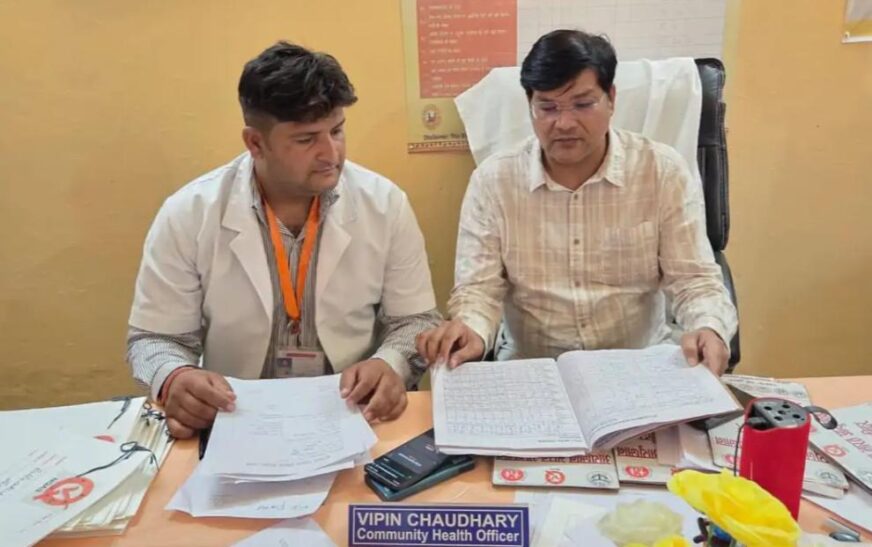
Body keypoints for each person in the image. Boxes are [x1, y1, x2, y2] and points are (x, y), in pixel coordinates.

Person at [127, 41, 441, 438]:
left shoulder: (385, 204)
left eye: (337, 131)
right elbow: (154, 339)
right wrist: (174, 375)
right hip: (237, 416)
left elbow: (416, 322)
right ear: (255, 143)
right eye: (306, 139)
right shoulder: (189, 213)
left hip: (352, 414)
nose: (331, 153)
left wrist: (390, 363)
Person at [417, 30, 737, 374]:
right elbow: (479, 290)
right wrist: (471, 330)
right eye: (547, 107)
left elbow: (693, 279)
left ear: (611, 99)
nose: (564, 123)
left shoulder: (661, 171)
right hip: (533, 368)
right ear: (529, 105)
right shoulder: (493, 181)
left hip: (637, 365)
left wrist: (709, 326)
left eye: (583, 104)